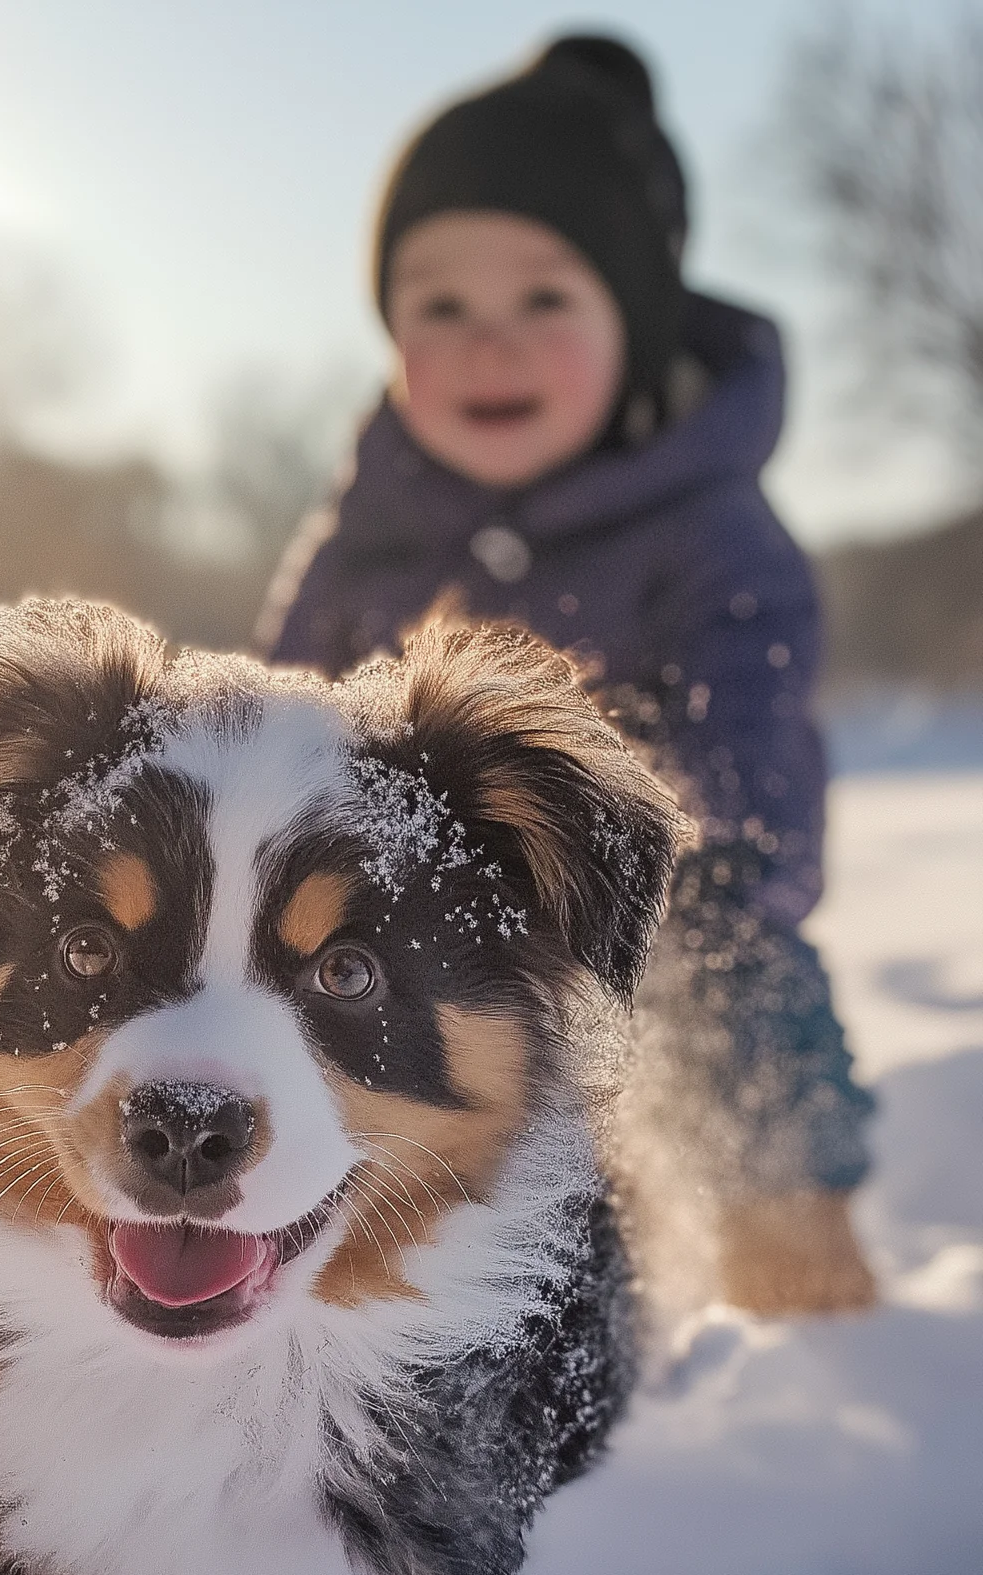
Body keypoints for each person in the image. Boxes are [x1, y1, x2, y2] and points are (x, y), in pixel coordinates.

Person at [259, 32, 875, 1314]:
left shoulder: (709, 535)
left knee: (736, 1005)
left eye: (543, 301)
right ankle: (332, 1279)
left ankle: (793, 1284)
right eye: (440, 307)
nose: (490, 344)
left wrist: (632, 858)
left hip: (656, 912)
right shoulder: (368, 532)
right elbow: (273, 722)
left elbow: (747, 753)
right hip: (404, 932)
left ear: (631, 325)